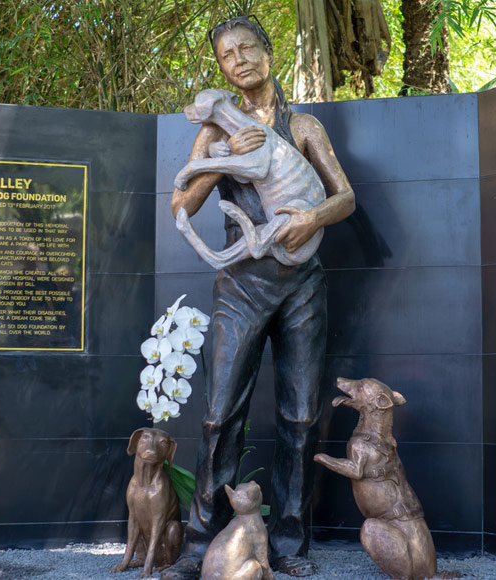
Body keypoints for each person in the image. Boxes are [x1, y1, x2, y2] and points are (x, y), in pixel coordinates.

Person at [165, 15, 355, 580]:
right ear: (221, 70)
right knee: (220, 413)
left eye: (247, 48)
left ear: (269, 52)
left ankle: (291, 544)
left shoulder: (304, 126)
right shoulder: (215, 128)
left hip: (302, 284)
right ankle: (202, 545)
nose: (240, 60)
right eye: (227, 55)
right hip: (240, 284)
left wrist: (312, 218)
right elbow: (181, 206)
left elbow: (344, 197)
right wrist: (223, 150)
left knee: (301, 414)